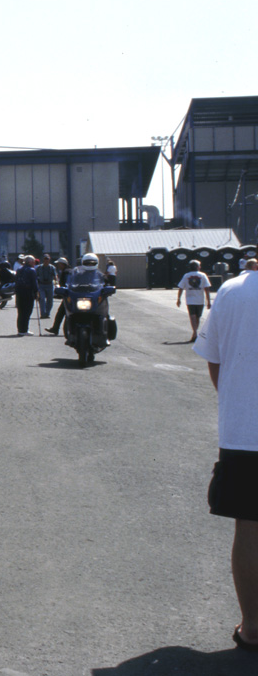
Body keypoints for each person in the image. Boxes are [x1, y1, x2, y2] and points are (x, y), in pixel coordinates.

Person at [193, 263, 258, 652]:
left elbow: (214, 360)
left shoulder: (232, 291)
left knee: (249, 528)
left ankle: (253, 627)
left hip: (246, 431)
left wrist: (238, 405)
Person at [176, 259, 212, 341]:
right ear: (197, 267)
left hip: (192, 299)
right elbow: (207, 289)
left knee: (195, 317)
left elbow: (180, 288)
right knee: (195, 317)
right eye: (199, 265)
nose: (200, 267)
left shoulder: (187, 275)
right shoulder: (202, 275)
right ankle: (195, 332)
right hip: (198, 300)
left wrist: (179, 299)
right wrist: (208, 301)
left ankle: (195, 332)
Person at [14, 255, 39, 335]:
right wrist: (36, 292)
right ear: (30, 262)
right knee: (27, 311)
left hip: (19, 292)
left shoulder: (19, 269)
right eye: (33, 262)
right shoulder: (32, 270)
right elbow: (34, 283)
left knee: (20, 311)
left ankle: (20, 330)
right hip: (28, 292)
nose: (34, 263)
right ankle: (24, 330)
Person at [44, 258, 70, 335]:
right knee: (61, 312)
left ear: (62, 264)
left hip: (69, 296)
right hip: (67, 296)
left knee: (64, 312)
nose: (58, 265)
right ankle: (56, 328)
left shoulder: (67, 272)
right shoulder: (67, 271)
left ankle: (64, 329)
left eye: (59, 264)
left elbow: (67, 284)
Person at [36, 255, 57, 319]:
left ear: (49, 260)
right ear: (43, 260)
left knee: (50, 300)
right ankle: (42, 313)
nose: (46, 260)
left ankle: (47, 313)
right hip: (41, 285)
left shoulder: (52, 267)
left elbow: (55, 276)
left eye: (47, 259)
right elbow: (36, 276)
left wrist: (56, 282)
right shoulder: (39, 267)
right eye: (45, 259)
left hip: (49, 285)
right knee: (42, 299)